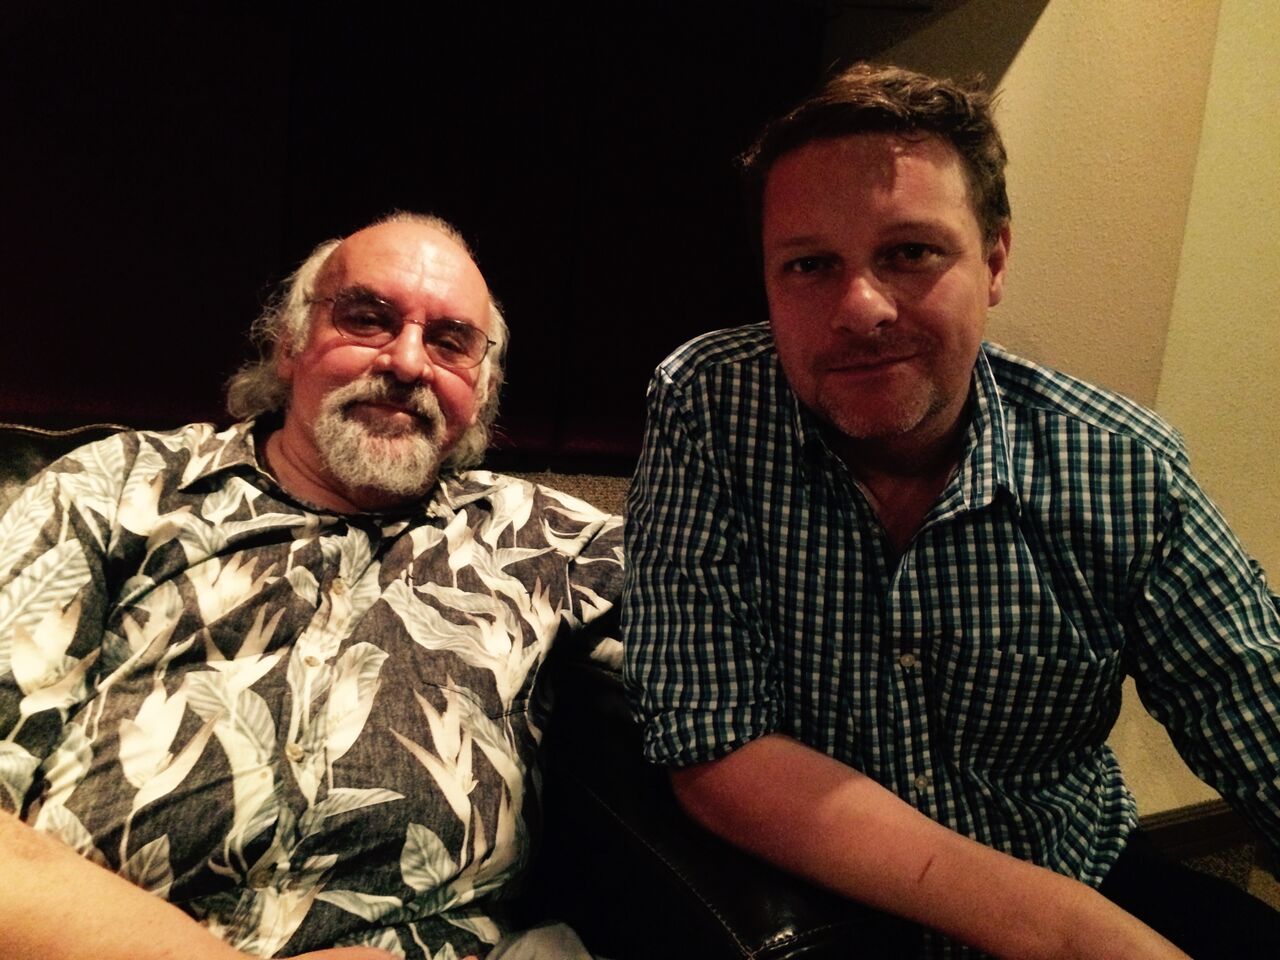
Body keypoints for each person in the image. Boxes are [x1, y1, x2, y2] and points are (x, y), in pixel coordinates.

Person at [622, 63, 1280, 959]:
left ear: (995, 260)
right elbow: (709, 738)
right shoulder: (709, 409)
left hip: (1070, 860)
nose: (860, 309)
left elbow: (1250, 704)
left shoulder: (1124, 465)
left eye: (910, 253)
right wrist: (1061, 931)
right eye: (810, 265)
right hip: (816, 907)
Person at [0, 213, 623, 960]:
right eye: (368, 318)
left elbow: (724, 619)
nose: (408, 362)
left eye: (451, 341)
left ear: (481, 387)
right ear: (290, 342)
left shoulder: (542, 539)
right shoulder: (116, 488)